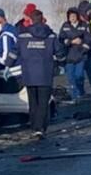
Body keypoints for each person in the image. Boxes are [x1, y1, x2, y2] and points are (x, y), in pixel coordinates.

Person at [17, 9, 61, 138]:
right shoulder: (51, 35)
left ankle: (34, 126)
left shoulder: (23, 36)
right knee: (43, 102)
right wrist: (62, 63)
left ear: (30, 20)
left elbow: (14, 52)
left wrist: (6, 66)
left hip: (29, 74)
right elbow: (59, 52)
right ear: (42, 19)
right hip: (45, 73)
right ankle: (41, 128)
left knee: (33, 102)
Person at [59, 7, 91, 102]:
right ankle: (74, 95)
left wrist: (83, 48)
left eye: (74, 16)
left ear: (77, 16)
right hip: (69, 55)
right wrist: (71, 41)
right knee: (71, 77)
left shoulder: (84, 25)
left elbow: (88, 39)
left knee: (79, 75)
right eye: (70, 16)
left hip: (80, 55)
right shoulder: (65, 26)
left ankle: (81, 91)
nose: (72, 18)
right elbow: (61, 39)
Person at [0, 8, 22, 88]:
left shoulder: (6, 35)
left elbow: (6, 57)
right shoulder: (13, 30)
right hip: (17, 72)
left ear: (5, 20)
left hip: (11, 74)